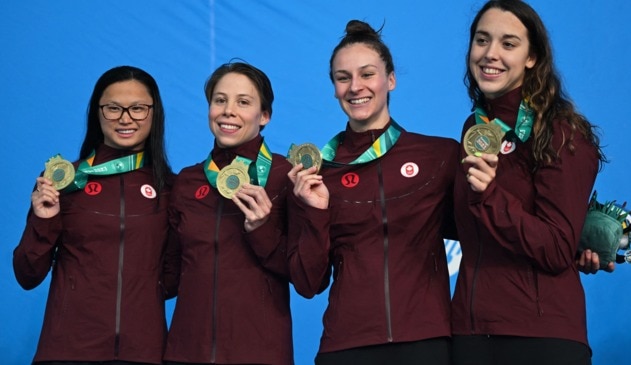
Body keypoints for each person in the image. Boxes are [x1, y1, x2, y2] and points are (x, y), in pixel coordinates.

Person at [287, 20, 458, 365]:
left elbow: (485, 230)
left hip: (425, 342)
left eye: (367, 74)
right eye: (342, 77)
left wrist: (576, 244)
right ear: (333, 87)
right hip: (346, 346)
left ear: (390, 79)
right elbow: (308, 283)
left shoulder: (440, 156)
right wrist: (317, 212)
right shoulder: (316, 174)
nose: (355, 87)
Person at [451, 1, 607, 364]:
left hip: (539, 336)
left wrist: (489, 195)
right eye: (482, 40)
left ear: (532, 57)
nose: (490, 54)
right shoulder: (474, 129)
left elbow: (554, 248)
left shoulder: (561, 132)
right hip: (471, 333)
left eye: (508, 44)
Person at [13, 65, 177, 364]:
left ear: (154, 113)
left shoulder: (170, 188)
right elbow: (27, 274)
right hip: (67, 351)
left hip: (144, 352)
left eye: (138, 108)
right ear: (97, 112)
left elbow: (173, 277)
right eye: (113, 108)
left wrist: (141, 294)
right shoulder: (62, 181)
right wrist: (43, 221)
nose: (125, 118)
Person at [163, 62, 293, 365]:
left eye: (243, 102)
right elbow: (167, 276)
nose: (228, 111)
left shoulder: (286, 176)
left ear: (264, 116)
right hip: (186, 353)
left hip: (261, 353)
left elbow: (307, 277)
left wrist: (261, 229)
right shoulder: (186, 182)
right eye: (220, 100)